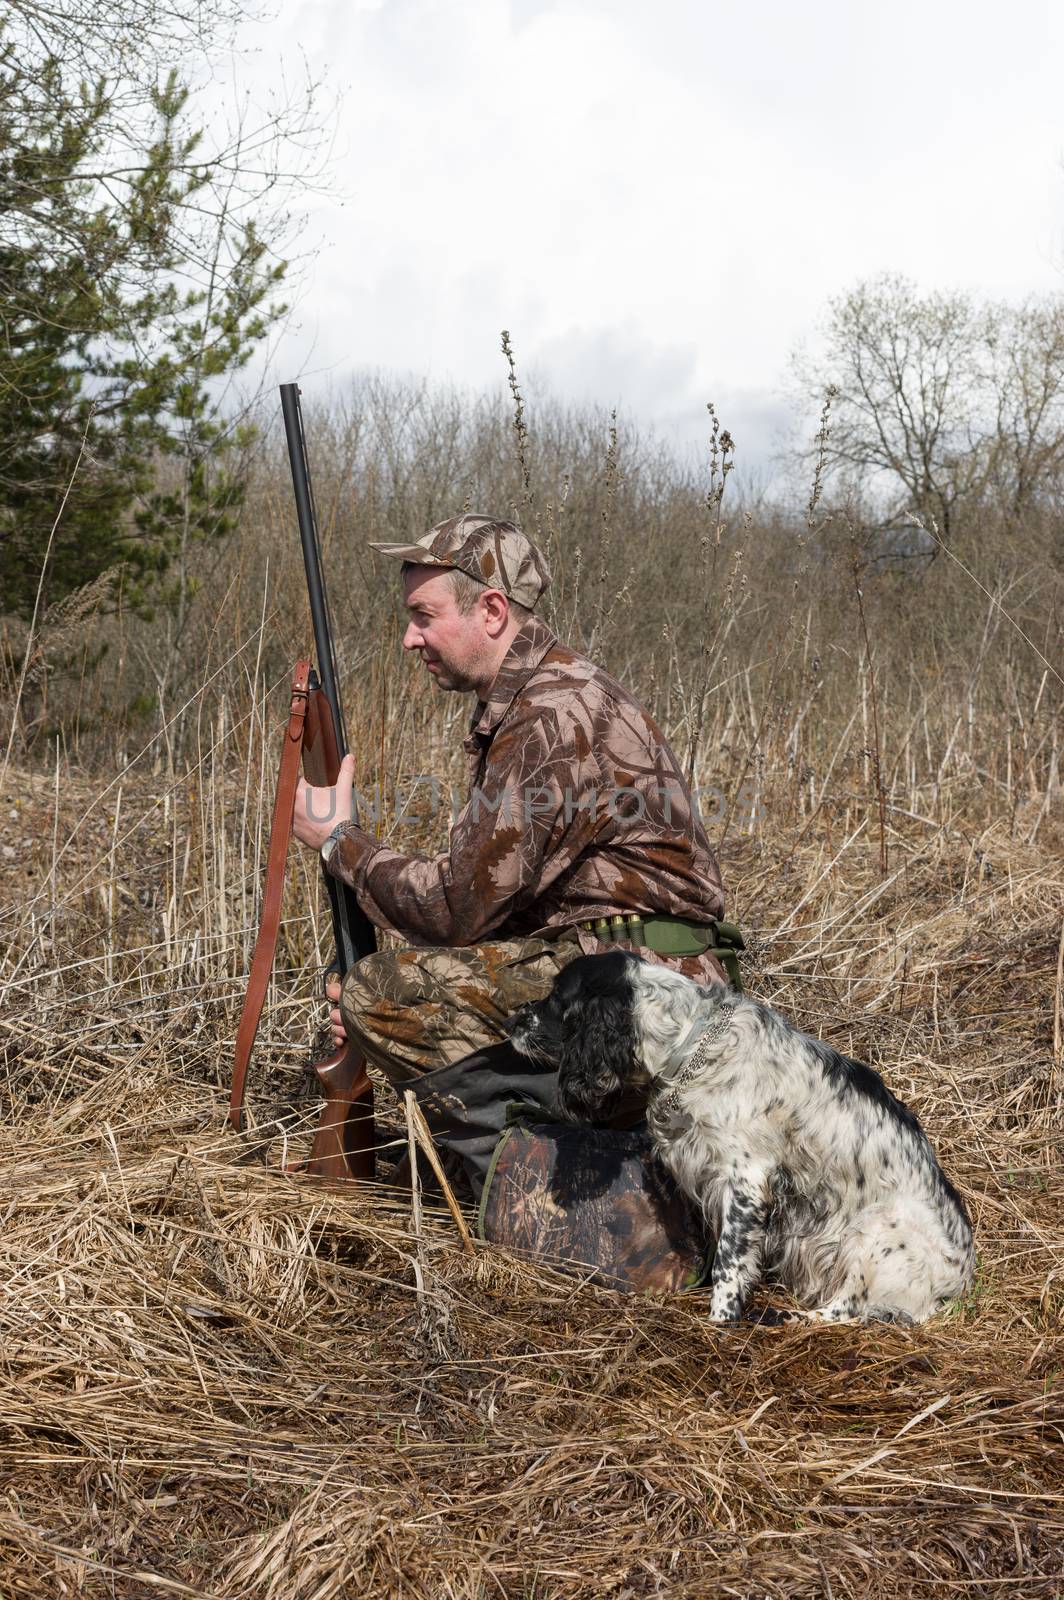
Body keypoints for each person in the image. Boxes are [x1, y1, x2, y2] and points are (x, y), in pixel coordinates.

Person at [292, 514, 735, 1189]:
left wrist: (337, 842)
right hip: (652, 989)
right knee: (404, 983)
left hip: (641, 1006)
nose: (410, 639)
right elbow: (493, 911)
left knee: (384, 993)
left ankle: (537, 1191)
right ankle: (542, 1153)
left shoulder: (548, 717)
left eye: (424, 615)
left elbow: (453, 908)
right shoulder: (554, 695)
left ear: (491, 610)